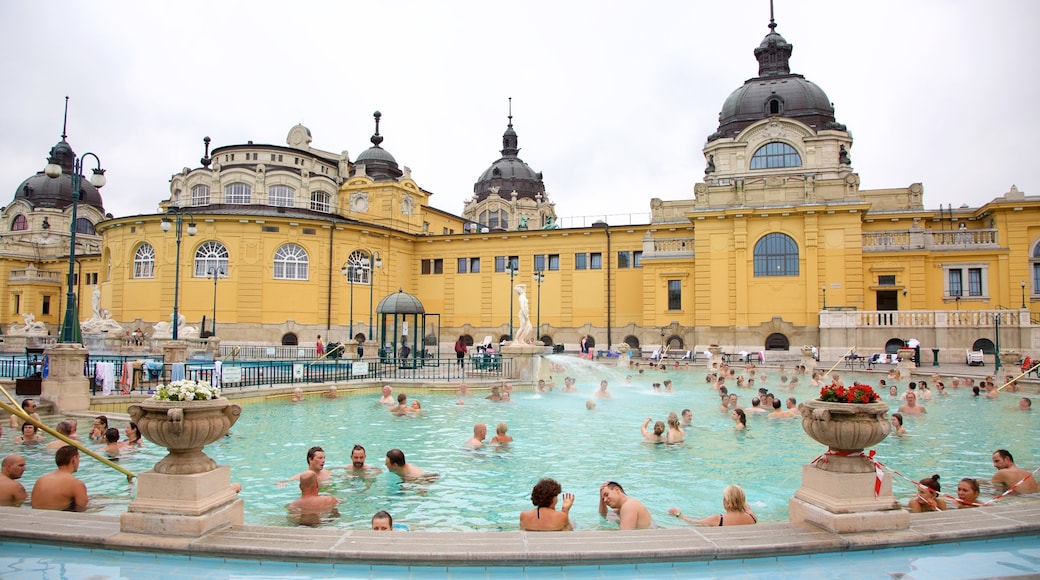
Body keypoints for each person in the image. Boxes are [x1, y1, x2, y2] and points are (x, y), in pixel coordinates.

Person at [31, 446, 88, 512]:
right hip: (58, 519)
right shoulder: (76, 484)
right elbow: (82, 509)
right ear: (74, 459)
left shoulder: (41, 480)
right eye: (79, 458)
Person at [669, 484, 757, 526]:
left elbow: (693, 522)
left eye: (724, 498)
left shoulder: (719, 519)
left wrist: (678, 514)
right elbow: (747, 507)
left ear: (727, 502)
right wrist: (739, 501)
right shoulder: (752, 517)